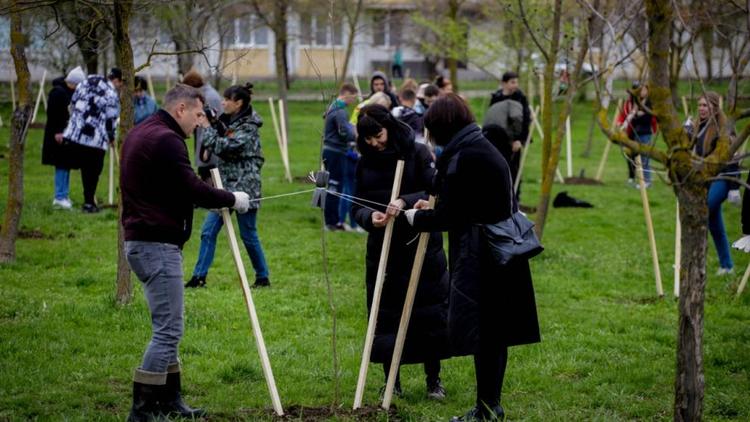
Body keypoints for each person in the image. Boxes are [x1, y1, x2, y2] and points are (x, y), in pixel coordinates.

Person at [403, 94, 540, 421]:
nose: (430, 138)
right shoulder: (475, 146)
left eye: (432, 130)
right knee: (492, 334)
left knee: (488, 334)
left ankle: (488, 408)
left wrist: (414, 217)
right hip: (496, 251)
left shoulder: (466, 157)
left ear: (443, 127)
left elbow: (451, 216)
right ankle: (488, 406)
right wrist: (432, 204)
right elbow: (463, 201)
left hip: (486, 256)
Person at [121, 83, 251, 421]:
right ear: (180, 110)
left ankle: (169, 400)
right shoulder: (166, 140)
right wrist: (232, 199)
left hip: (146, 241)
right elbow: (191, 187)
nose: (200, 122)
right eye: (197, 115)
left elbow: (172, 186)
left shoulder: (144, 131)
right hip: (155, 245)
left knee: (169, 325)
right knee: (168, 330)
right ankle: (144, 409)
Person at [353, 104, 450, 399]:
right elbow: (356, 204)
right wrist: (368, 218)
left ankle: (433, 380)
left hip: (420, 245)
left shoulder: (418, 153)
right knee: (385, 315)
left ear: (389, 127)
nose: (374, 143)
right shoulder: (364, 162)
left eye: (378, 135)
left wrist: (405, 201)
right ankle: (391, 380)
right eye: (368, 139)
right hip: (384, 248)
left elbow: (433, 191)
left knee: (429, 314)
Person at [185, 83, 271, 288]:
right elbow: (216, 140)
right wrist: (211, 127)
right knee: (208, 231)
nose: (222, 102)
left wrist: (207, 128)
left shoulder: (249, 127)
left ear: (238, 103)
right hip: (224, 186)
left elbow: (227, 146)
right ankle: (199, 277)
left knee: (248, 234)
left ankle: (262, 277)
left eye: (226, 100)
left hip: (246, 185)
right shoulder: (227, 121)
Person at [686, 91, 739, 275]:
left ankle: (697, 259)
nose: (701, 109)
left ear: (715, 108)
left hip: (724, 179)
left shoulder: (723, 128)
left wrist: (734, 188)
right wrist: (687, 132)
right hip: (707, 179)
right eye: (700, 105)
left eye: (705, 105)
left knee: (703, 208)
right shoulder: (699, 126)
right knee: (715, 224)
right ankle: (727, 265)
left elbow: (733, 157)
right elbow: (690, 149)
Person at [62, 67, 123, 213]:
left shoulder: (85, 82)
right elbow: (111, 117)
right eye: (121, 83)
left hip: (76, 133)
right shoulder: (111, 92)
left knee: (84, 168)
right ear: (117, 80)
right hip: (96, 138)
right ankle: (89, 203)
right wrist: (111, 136)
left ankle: (84, 201)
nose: (120, 86)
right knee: (93, 170)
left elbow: (72, 103)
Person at [43, 66, 85, 209]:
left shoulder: (67, 92)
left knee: (65, 165)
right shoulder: (58, 93)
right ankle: (59, 196)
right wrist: (58, 131)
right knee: (61, 165)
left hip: (66, 134)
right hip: (59, 135)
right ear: (73, 82)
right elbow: (53, 114)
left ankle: (64, 195)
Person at [321, 83, 359, 232]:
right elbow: (344, 132)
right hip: (336, 151)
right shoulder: (340, 111)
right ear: (347, 94)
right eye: (353, 97)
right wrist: (355, 134)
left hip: (329, 151)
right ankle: (332, 222)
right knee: (335, 186)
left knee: (332, 185)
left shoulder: (332, 107)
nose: (353, 101)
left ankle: (332, 220)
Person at [488, 72, 532, 198]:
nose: (515, 85)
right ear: (504, 83)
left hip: (513, 142)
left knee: (513, 170)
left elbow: (524, 120)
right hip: (496, 140)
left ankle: (515, 199)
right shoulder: (496, 97)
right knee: (497, 168)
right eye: (512, 82)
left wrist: (519, 139)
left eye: (516, 82)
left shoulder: (519, 98)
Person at [182, 69, 224, 181]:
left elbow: (214, 124)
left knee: (213, 183)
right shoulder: (202, 95)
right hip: (204, 144)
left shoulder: (210, 97)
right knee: (205, 178)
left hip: (211, 152)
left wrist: (207, 151)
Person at [615, 81, 658, 187]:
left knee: (644, 158)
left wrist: (638, 115)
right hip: (634, 133)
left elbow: (647, 118)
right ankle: (635, 178)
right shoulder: (633, 103)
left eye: (642, 90)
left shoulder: (648, 104)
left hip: (644, 133)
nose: (640, 92)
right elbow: (629, 115)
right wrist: (623, 124)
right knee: (633, 156)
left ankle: (647, 181)